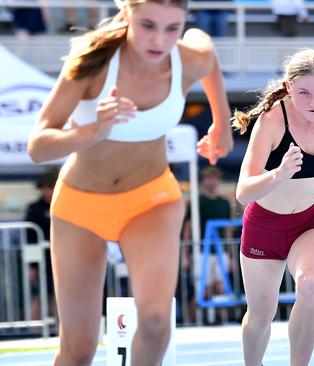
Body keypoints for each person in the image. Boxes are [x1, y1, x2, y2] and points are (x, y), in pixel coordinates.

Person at [27, 0, 233, 364]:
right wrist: (94, 130)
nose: (159, 39)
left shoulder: (187, 59)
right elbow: (38, 146)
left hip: (151, 200)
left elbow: (208, 54)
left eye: (173, 28)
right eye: (148, 25)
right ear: (126, 15)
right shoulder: (92, 61)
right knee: (77, 351)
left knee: (155, 323)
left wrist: (221, 122)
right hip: (80, 206)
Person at [232, 48, 314, 366]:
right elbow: (243, 192)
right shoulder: (272, 122)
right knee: (260, 316)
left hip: (312, 220)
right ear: (287, 87)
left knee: (310, 285)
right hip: (265, 225)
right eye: (303, 93)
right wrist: (279, 174)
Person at [181, 166, 233, 323]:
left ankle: (221, 320)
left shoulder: (224, 202)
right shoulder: (196, 202)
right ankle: (190, 321)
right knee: (201, 290)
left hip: (220, 251)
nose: (212, 182)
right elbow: (188, 228)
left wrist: (230, 255)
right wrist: (186, 255)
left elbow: (228, 229)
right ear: (203, 181)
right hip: (201, 251)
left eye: (215, 178)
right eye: (209, 178)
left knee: (220, 288)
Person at [24, 168, 59, 322]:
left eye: (50, 188)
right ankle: (36, 330)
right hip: (42, 261)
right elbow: (30, 236)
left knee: (61, 295)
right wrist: (32, 266)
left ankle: (62, 330)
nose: (47, 192)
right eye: (44, 188)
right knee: (40, 294)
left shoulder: (65, 207)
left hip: (63, 259)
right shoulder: (35, 209)